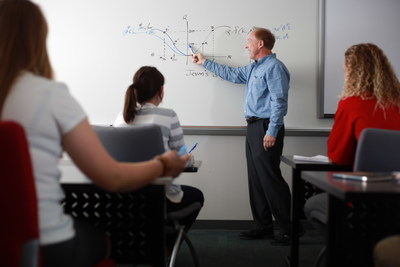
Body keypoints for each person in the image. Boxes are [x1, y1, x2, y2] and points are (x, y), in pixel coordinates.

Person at [0, 1, 189, 267]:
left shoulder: (119, 119)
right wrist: (162, 165)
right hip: (42, 243)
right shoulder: (49, 95)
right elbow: (112, 177)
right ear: (36, 40)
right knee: (107, 240)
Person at [192, 27, 292, 244]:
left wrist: (272, 131)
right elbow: (233, 74)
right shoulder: (254, 68)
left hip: (266, 127)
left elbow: (279, 101)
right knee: (256, 179)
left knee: (270, 179)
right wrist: (204, 62)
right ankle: (263, 226)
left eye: (249, 41)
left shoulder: (274, 67)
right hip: (253, 128)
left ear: (260, 44)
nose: (246, 45)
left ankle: (287, 228)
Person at [304, 43, 400, 226]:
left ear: (352, 72)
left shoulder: (351, 104)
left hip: (362, 202)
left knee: (312, 204)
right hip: (396, 202)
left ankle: (350, 250)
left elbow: (338, 158)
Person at [113, 66, 204, 247]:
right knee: (197, 195)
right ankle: (166, 245)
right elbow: (180, 156)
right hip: (158, 195)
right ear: (160, 90)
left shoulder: (121, 118)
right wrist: (186, 157)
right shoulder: (167, 115)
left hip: (123, 198)